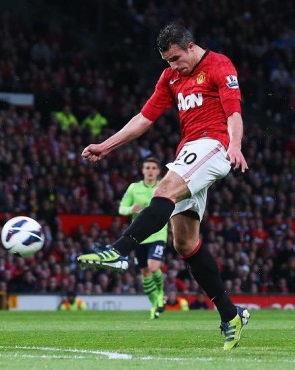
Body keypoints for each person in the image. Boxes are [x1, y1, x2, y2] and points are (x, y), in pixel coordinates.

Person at [77, 23, 250, 350]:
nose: (173, 66)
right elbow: (144, 118)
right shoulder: (169, 77)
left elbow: (234, 111)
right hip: (189, 150)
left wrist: (236, 145)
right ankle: (231, 315)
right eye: (167, 61)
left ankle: (119, 251)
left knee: (163, 191)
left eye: (175, 59)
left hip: (215, 144)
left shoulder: (219, 65)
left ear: (190, 46)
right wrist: (106, 145)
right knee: (185, 244)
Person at [118, 157, 167, 319]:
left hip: (158, 234)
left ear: (159, 171)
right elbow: (121, 208)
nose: (150, 171)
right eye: (147, 168)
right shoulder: (134, 188)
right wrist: (131, 209)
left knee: (154, 268)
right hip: (138, 236)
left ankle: (160, 294)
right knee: (145, 273)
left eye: (154, 168)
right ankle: (154, 305)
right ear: (142, 170)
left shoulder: (163, 185)